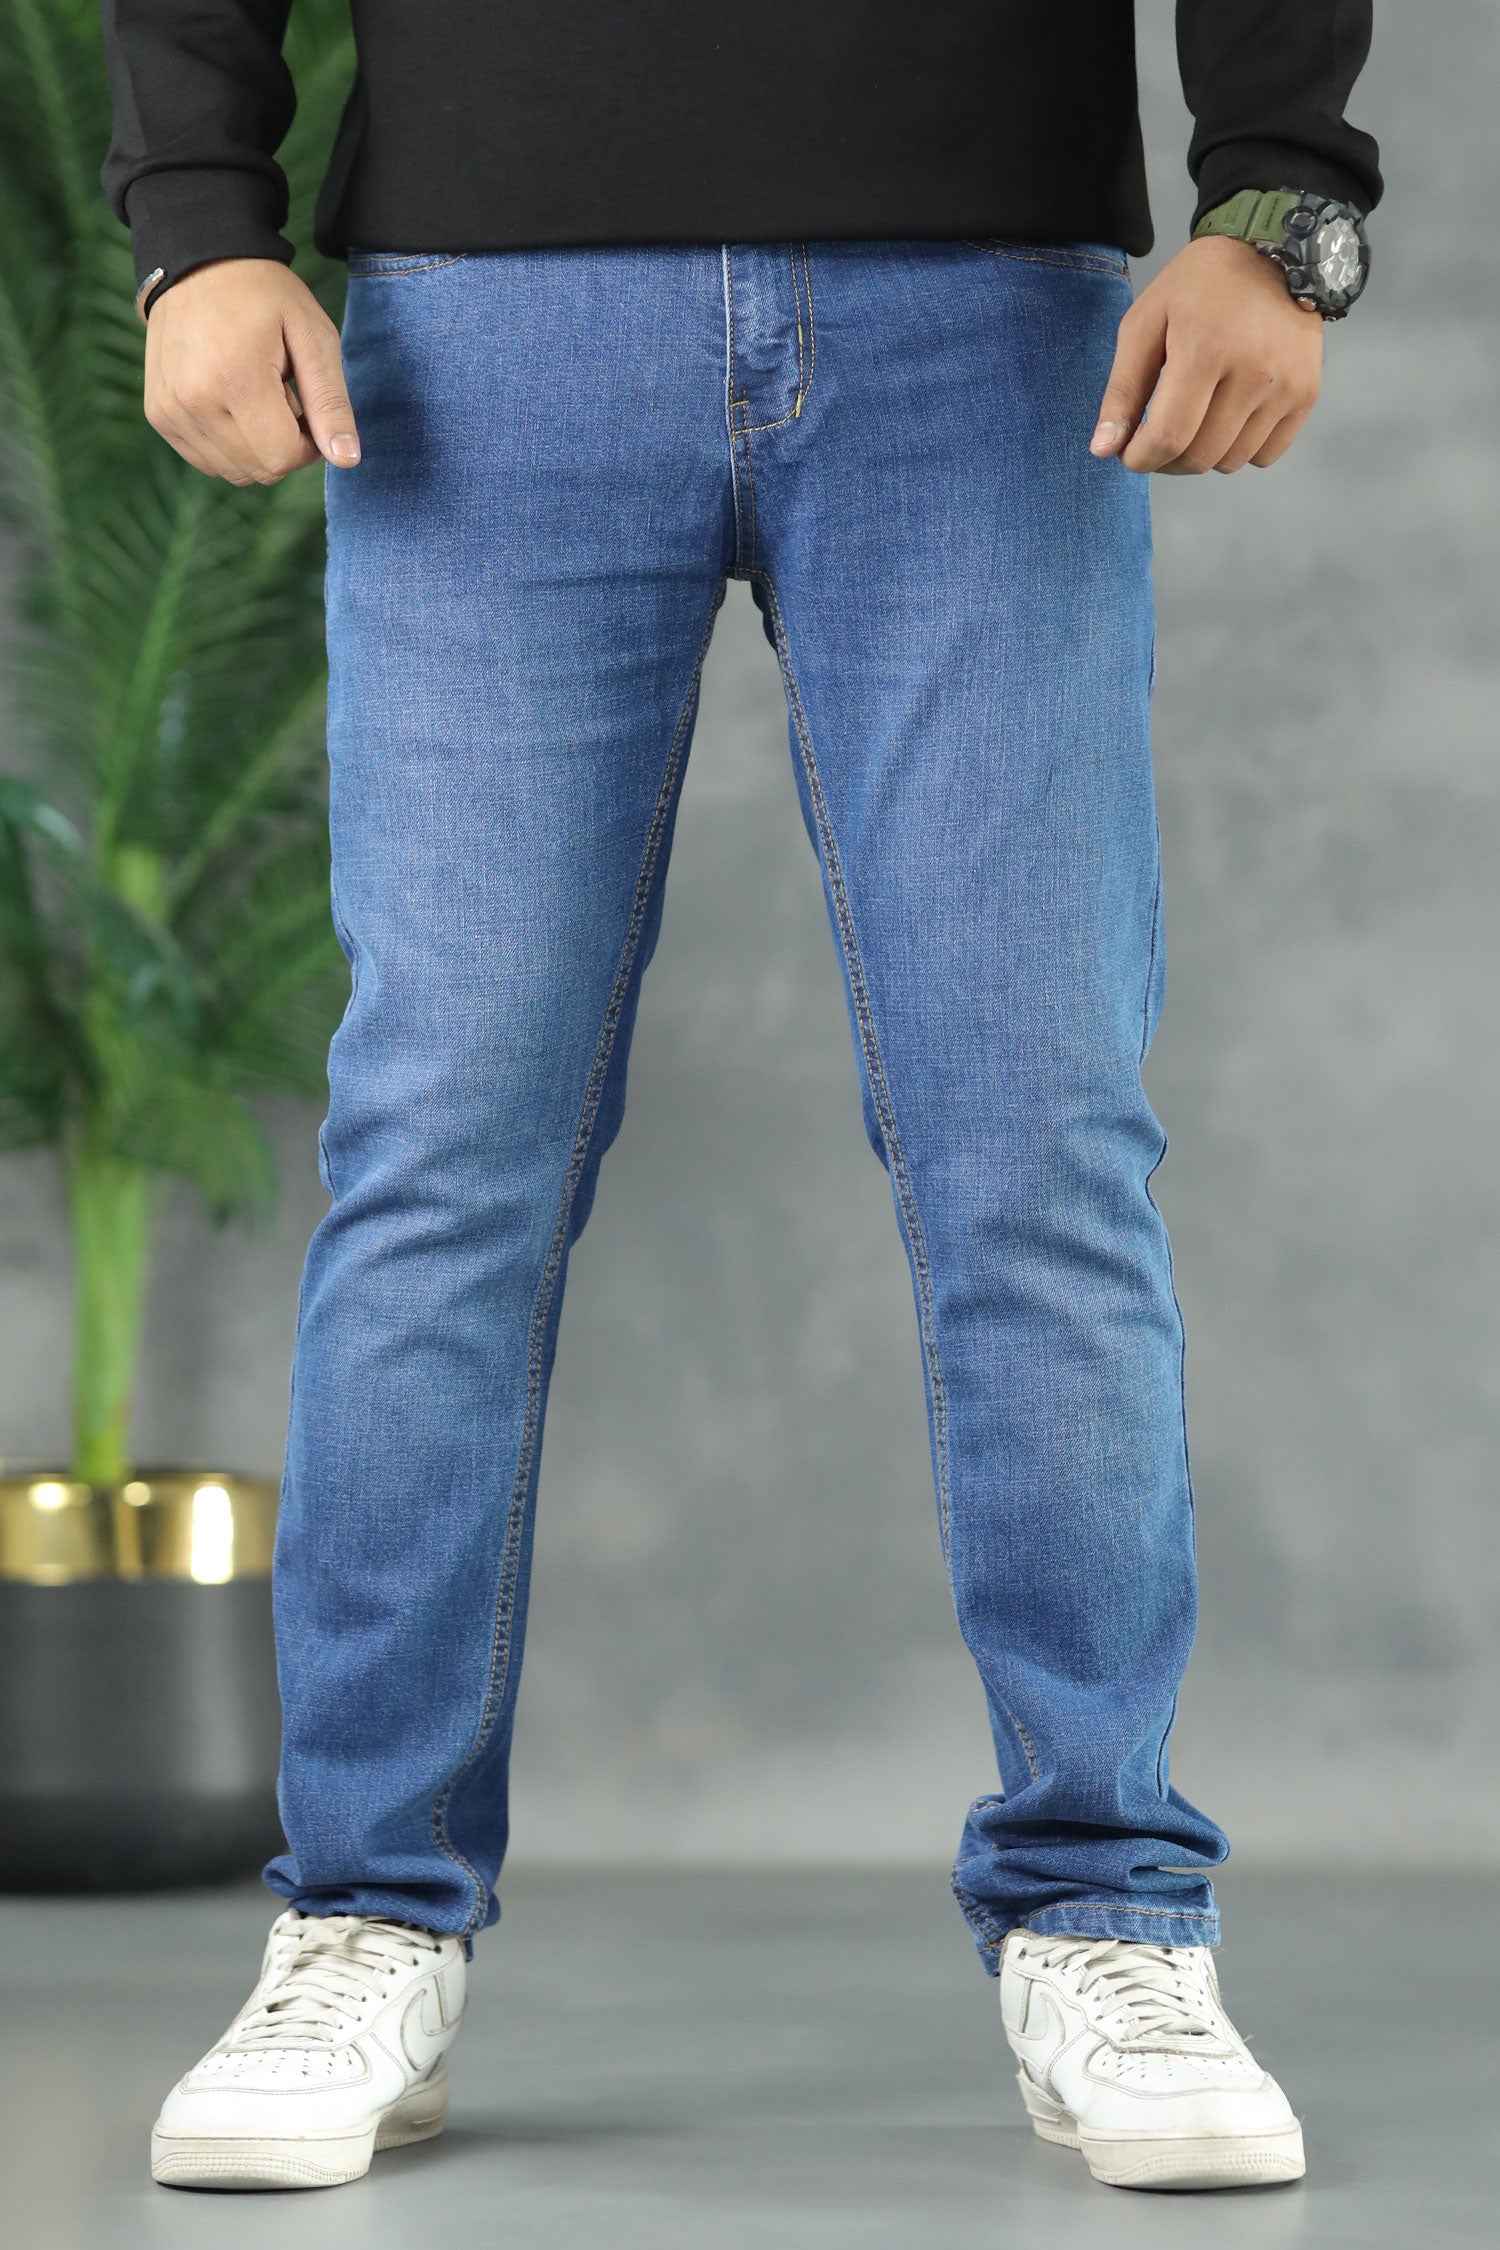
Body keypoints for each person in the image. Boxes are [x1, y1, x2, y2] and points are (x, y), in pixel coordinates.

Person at [101, 0, 1380, 2197]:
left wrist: (1281, 191)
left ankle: (1110, 1910)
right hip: (485, 314)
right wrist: (197, 223)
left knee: (1037, 1142)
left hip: (988, 307)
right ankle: (365, 1912)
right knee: (441, 1154)